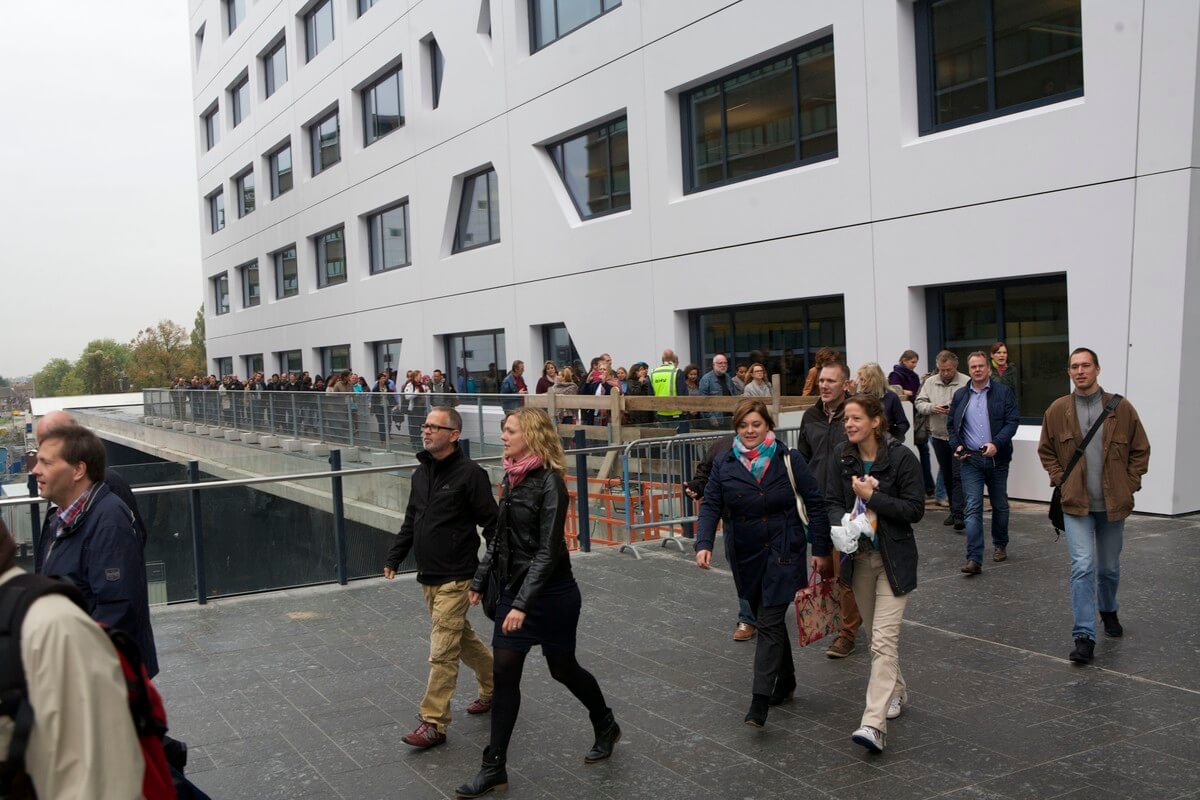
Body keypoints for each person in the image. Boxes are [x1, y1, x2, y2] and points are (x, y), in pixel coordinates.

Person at [457, 408, 619, 798]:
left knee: (562, 669)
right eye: (504, 431)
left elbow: (548, 552)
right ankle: (493, 765)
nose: (503, 437)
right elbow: (498, 537)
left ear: (530, 435)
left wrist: (522, 606)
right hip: (516, 590)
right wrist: (480, 580)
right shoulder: (512, 478)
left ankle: (605, 721)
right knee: (505, 673)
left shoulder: (550, 483)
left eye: (509, 431)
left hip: (552, 594)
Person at [695, 400, 831, 728]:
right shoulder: (725, 463)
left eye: (756, 424)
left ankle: (759, 700)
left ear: (768, 425)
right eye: (744, 425)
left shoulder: (788, 458)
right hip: (746, 553)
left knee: (768, 620)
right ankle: (786, 680)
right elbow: (711, 502)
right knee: (763, 615)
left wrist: (821, 548)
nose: (750, 431)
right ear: (737, 429)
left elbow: (814, 501)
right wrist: (703, 543)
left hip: (785, 548)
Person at [0, 522, 146, 797]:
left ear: (78, 474)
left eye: (42, 472)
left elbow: (100, 783)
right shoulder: (58, 519)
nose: (34, 475)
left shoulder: (52, 626)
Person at [384, 406, 498, 749]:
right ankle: (496, 685)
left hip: (457, 577)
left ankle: (433, 722)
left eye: (436, 426)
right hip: (428, 576)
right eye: (426, 425)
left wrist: (484, 574)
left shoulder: (470, 474)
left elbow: (492, 525)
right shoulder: (421, 474)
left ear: (454, 434)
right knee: (461, 640)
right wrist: (395, 555)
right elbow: (410, 520)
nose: (427, 431)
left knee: (442, 652)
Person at [1037, 348, 1150, 664]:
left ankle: (1108, 609)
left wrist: (1130, 483)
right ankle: (1083, 635)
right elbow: (1046, 450)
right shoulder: (1058, 410)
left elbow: (1140, 450)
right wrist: (1061, 479)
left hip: (1113, 504)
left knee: (1108, 568)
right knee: (1082, 566)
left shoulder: (1121, 408)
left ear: (1097, 369)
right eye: (1074, 366)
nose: (1080, 371)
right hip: (1076, 505)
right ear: (1069, 372)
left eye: (1086, 365)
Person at [830, 394, 924, 754]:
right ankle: (897, 690)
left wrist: (872, 499)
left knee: (884, 641)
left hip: (893, 560)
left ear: (875, 421)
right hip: (859, 560)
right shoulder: (843, 456)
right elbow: (830, 500)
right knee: (875, 639)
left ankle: (873, 724)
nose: (850, 425)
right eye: (846, 420)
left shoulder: (900, 457)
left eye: (855, 418)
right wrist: (841, 523)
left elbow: (915, 509)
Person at [31, 423, 158, 678]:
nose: (35, 470)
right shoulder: (63, 516)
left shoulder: (108, 520)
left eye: (46, 463)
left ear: (78, 469)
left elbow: (116, 609)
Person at [795, 361, 863, 659]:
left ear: (845, 384)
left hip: (846, 506)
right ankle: (837, 623)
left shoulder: (852, 415)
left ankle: (848, 633)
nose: (824, 386)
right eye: (821, 380)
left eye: (831, 381)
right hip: (816, 504)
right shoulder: (810, 415)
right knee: (826, 569)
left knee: (846, 571)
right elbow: (804, 457)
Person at [948, 352, 1020, 574]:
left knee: (999, 505)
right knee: (973, 508)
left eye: (980, 366)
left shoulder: (1003, 392)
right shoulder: (960, 395)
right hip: (970, 460)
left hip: (997, 459)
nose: (977, 370)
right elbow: (951, 425)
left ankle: (1000, 544)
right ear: (968, 370)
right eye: (973, 367)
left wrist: (996, 444)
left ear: (988, 368)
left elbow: (1012, 422)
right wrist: (957, 446)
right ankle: (974, 559)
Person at [36, 410, 148, 549]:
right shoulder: (59, 488)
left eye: (50, 441)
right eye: (40, 442)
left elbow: (128, 547)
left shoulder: (111, 490)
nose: (43, 449)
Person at [915, 351, 969, 531]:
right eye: (942, 370)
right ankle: (954, 511)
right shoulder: (930, 382)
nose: (945, 373)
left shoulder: (966, 381)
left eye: (949, 370)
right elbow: (919, 402)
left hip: (961, 437)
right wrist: (933, 407)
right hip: (938, 436)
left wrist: (957, 407)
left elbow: (975, 404)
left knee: (958, 475)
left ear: (956, 366)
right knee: (946, 475)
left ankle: (960, 514)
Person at [855, 363, 910, 443]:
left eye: (864, 380)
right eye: (861, 379)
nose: (862, 383)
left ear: (875, 380)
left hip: (885, 445)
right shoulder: (858, 398)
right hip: (863, 444)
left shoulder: (891, 397)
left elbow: (903, 424)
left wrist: (892, 439)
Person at [650, 349, 688, 422]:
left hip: (660, 412)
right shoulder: (677, 371)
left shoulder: (653, 373)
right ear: (674, 359)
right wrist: (685, 410)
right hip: (676, 412)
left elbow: (650, 393)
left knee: (664, 433)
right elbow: (682, 392)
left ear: (662, 359)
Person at [698, 354, 737, 423]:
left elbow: (734, 395)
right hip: (716, 419)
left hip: (730, 417)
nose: (723, 365)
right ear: (713, 365)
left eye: (725, 363)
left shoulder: (728, 377)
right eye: (720, 363)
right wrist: (711, 417)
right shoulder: (706, 379)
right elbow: (703, 402)